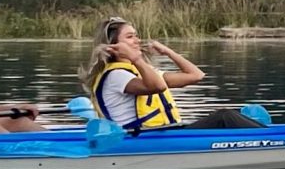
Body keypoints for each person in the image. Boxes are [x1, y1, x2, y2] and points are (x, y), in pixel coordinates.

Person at [81, 17, 269, 132]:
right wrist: (137, 58)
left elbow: (196, 75)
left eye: (137, 35)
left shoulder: (140, 71)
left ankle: (268, 136)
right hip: (141, 138)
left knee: (225, 117)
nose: (137, 41)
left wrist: (168, 52)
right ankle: (272, 141)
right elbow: (157, 86)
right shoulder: (117, 76)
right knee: (224, 117)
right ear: (113, 45)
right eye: (130, 37)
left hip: (162, 132)